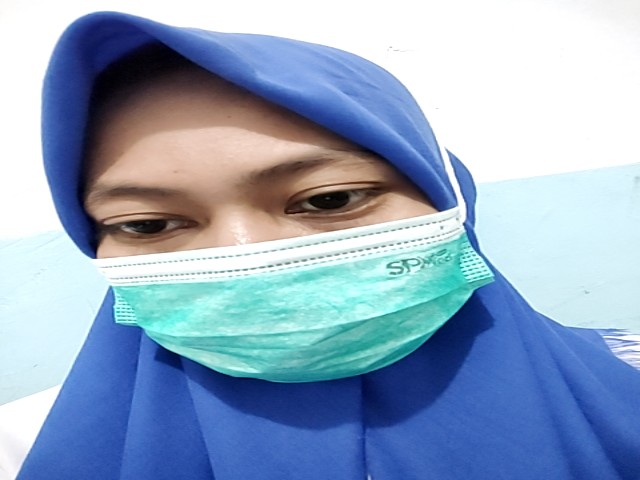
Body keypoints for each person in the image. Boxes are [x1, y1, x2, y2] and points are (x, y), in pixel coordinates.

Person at [16, 10, 640, 479]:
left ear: (448, 201)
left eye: (330, 199)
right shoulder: (20, 448)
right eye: (148, 225)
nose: (247, 256)